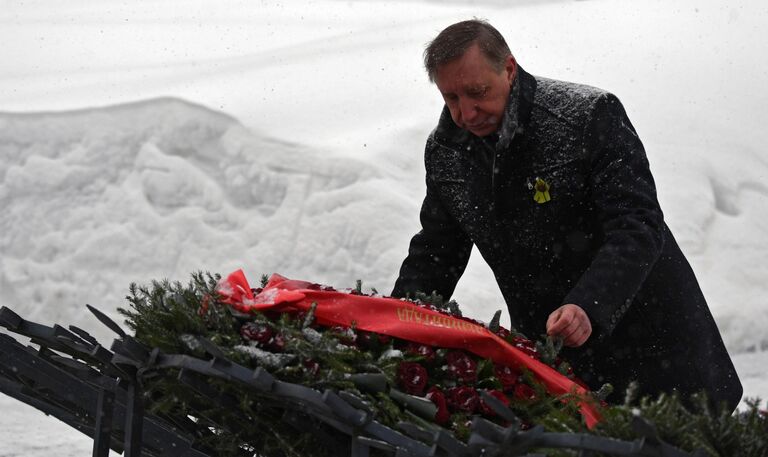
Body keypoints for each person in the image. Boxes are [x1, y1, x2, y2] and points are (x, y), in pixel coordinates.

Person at [392, 19, 742, 411]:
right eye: (451, 98)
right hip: (557, 367)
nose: (467, 113)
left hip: (658, 352)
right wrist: (392, 327)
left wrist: (589, 306)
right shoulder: (447, 153)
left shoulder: (587, 116)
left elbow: (637, 226)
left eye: (477, 93)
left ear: (508, 69)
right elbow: (436, 254)